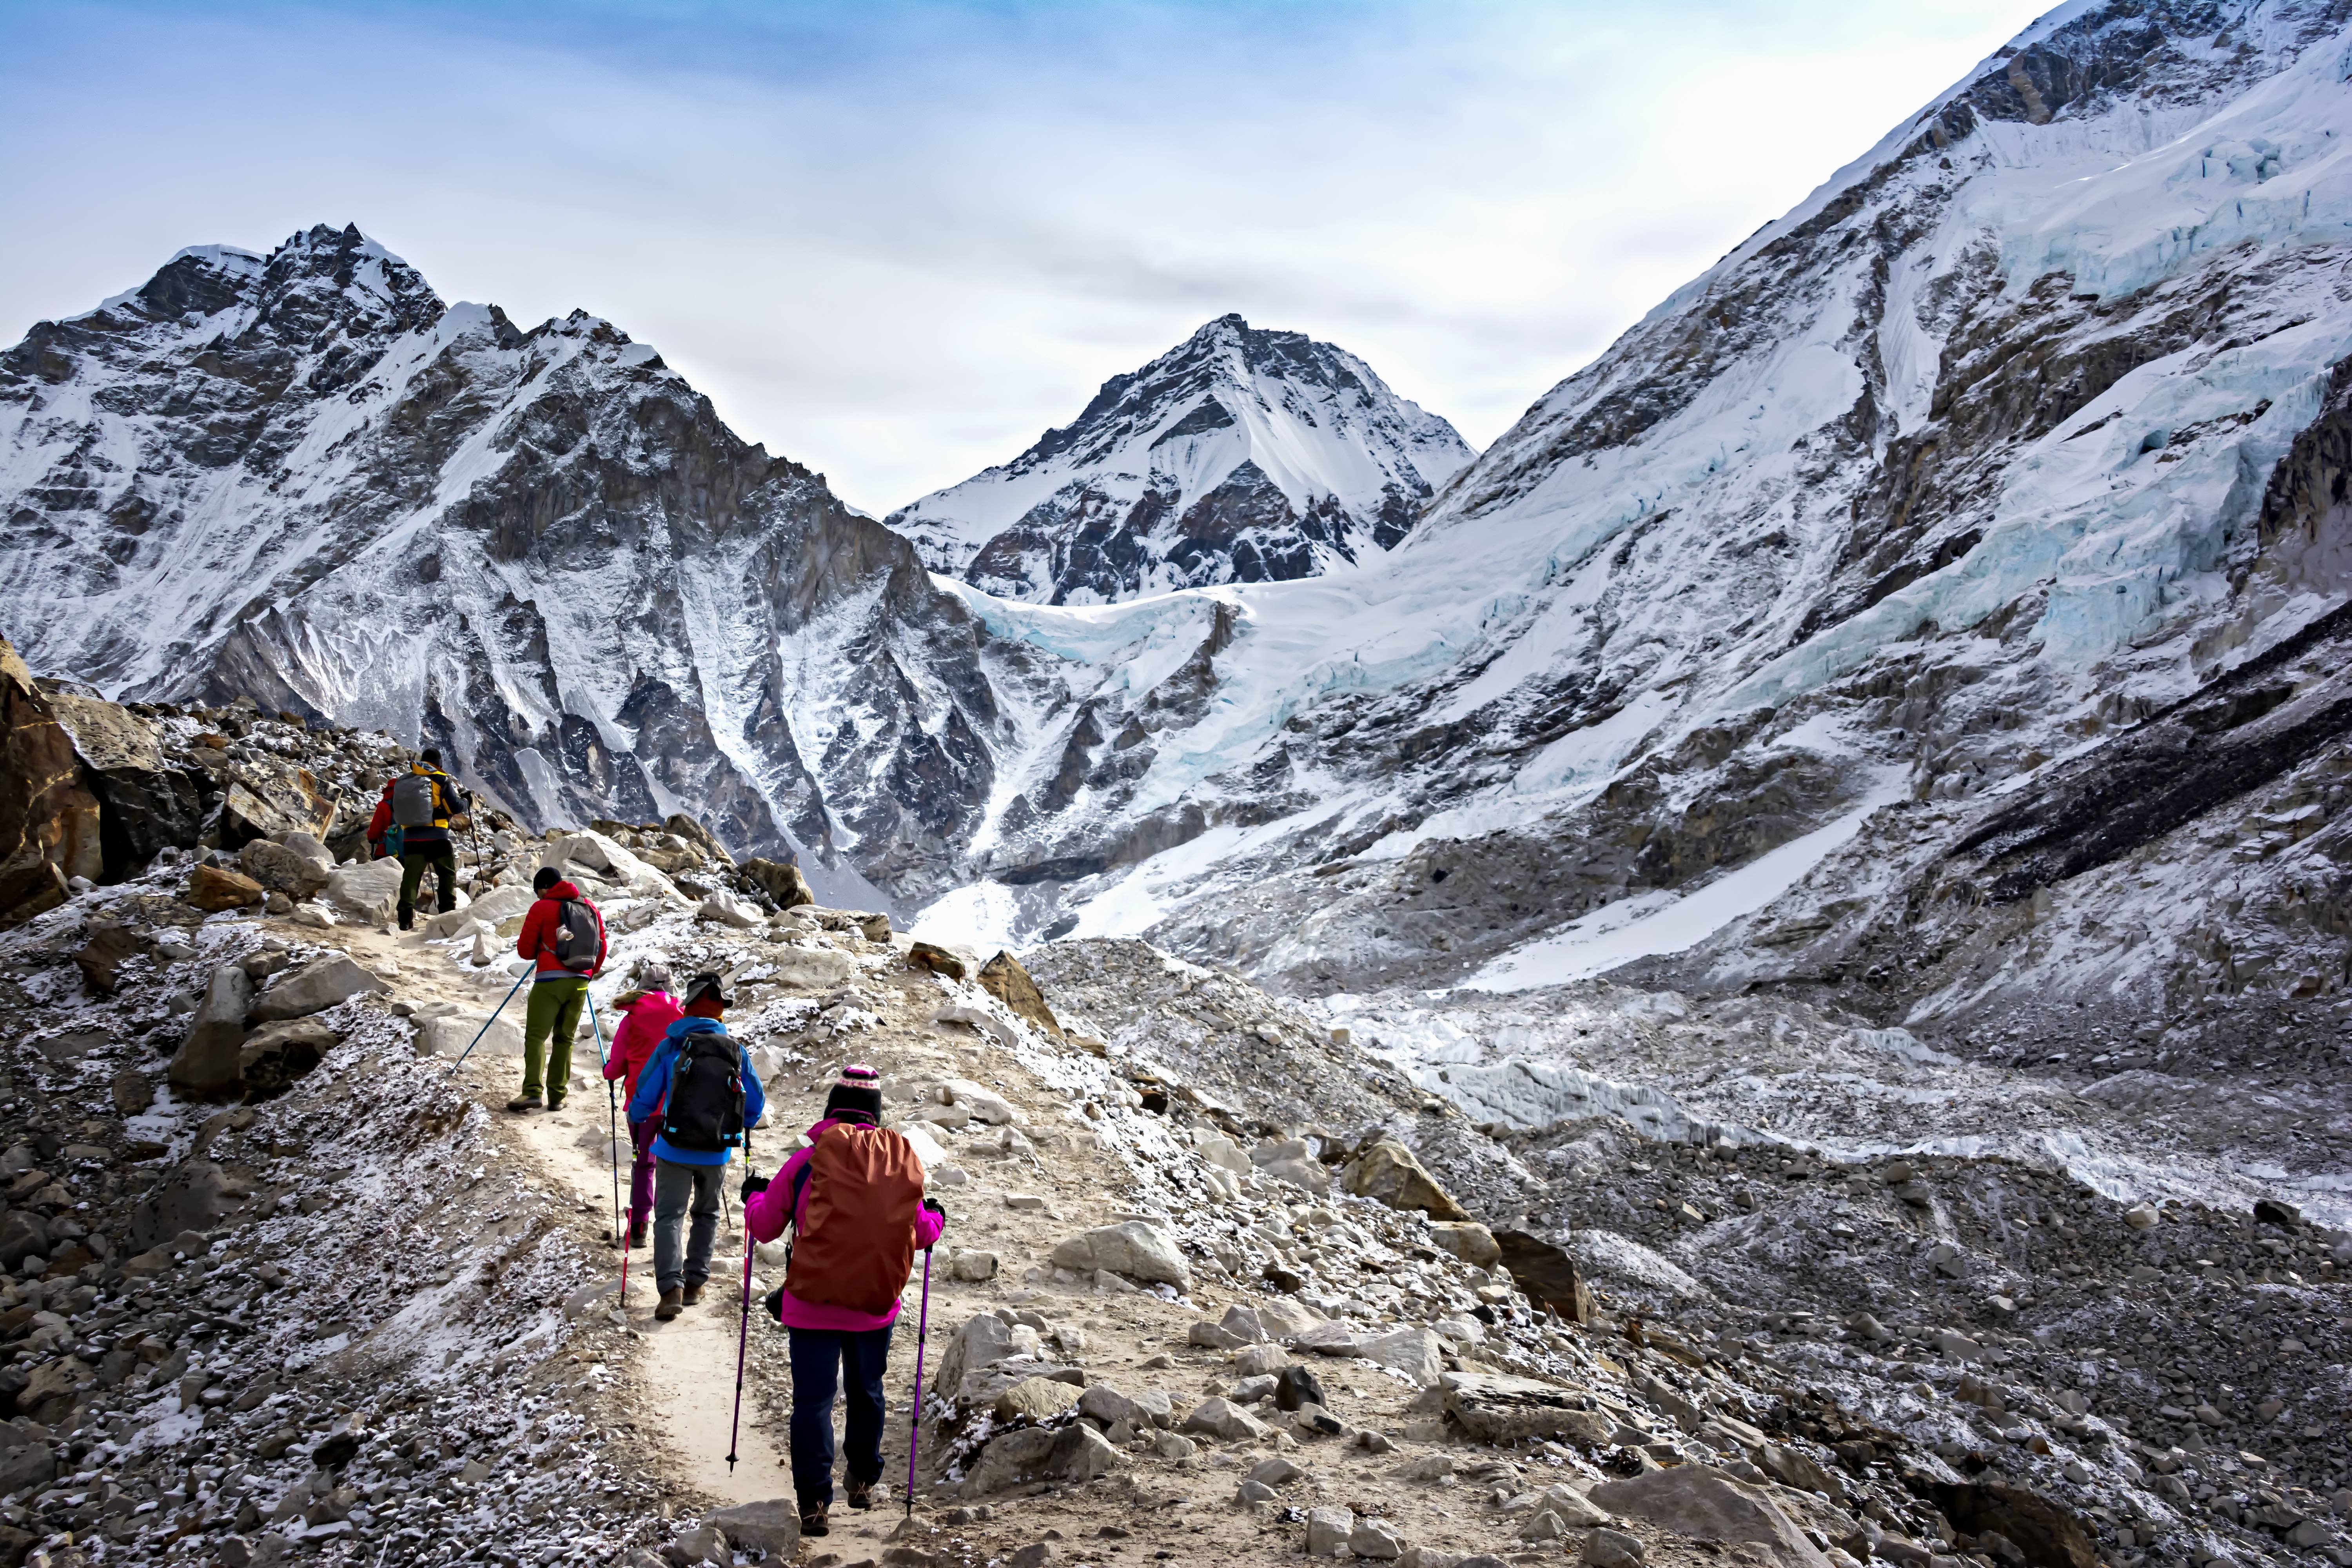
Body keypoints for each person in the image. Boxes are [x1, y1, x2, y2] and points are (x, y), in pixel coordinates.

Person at [743, 1065, 944, 1538]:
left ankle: (814, 1502)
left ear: (831, 1110)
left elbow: (766, 1226)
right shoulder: (900, 1164)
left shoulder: (808, 1161)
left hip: (811, 1302)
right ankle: (863, 1480)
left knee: (813, 1401)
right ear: (876, 1115)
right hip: (875, 1304)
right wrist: (936, 1216)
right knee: (867, 1390)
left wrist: (753, 1196)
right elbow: (920, 1234)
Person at [626, 973, 766, 1320]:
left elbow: (646, 1094)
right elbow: (755, 1103)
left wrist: (640, 1116)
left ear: (686, 1011)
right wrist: (742, 1123)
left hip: (673, 1146)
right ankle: (695, 1284)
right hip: (717, 1149)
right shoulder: (736, 1050)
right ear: (719, 1014)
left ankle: (670, 1288)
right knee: (707, 1214)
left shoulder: (672, 1046)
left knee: (669, 1217)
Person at [510, 866, 608, 1113]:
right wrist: (587, 972)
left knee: (536, 1037)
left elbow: (525, 951)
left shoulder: (541, 908)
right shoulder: (589, 906)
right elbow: (601, 946)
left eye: (537, 891)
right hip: (579, 983)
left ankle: (532, 1092)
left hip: (550, 981)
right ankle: (558, 1097)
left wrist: (546, 950)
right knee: (564, 1039)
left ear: (543, 888)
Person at [602, 962, 680, 1248]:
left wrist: (607, 1071)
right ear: (671, 987)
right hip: (679, 1103)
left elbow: (616, 1067)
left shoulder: (632, 1017)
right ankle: (671, 1230)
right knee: (674, 1164)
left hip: (642, 1104)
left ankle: (639, 1227)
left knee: (644, 1164)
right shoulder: (683, 1013)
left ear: (642, 988)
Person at [383, 748, 469, 931]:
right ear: (439, 763)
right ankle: (446, 914)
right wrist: (466, 801)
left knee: (412, 878)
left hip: (411, 838)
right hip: (437, 837)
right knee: (446, 874)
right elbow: (454, 807)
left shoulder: (406, 779)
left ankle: (405, 919)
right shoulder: (440, 779)